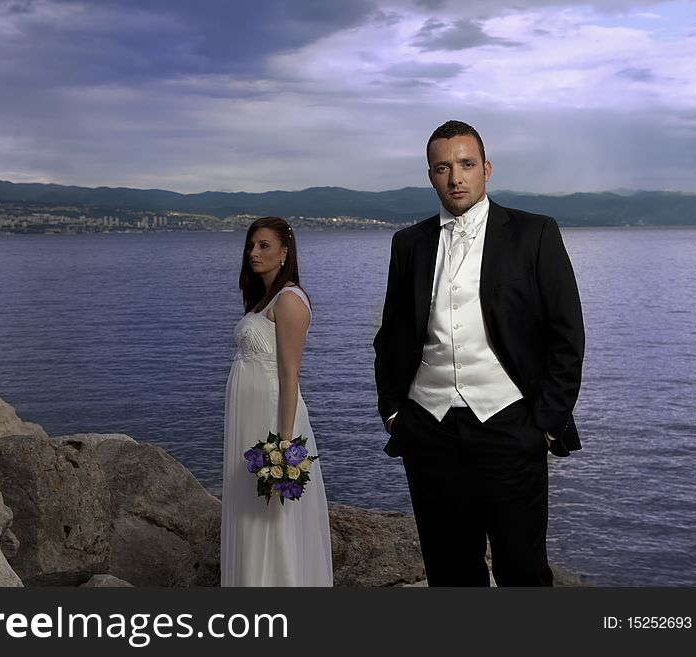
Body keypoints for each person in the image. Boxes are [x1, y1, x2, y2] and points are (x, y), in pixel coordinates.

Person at [373, 120, 585, 586]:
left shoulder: (535, 234)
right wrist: (393, 412)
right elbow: (390, 337)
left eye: (466, 165)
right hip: (428, 431)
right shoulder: (407, 244)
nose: (456, 178)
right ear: (430, 175)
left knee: (523, 572)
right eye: (443, 168)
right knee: (449, 574)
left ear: (486, 168)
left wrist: (544, 425)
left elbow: (567, 337)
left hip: (511, 426)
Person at [220, 216, 333, 587]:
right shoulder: (263, 299)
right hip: (249, 415)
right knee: (251, 509)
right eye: (251, 246)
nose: (254, 252)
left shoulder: (289, 300)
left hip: (272, 416)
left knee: (272, 516)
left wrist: (284, 444)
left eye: (263, 246)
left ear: (285, 252)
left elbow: (289, 374)